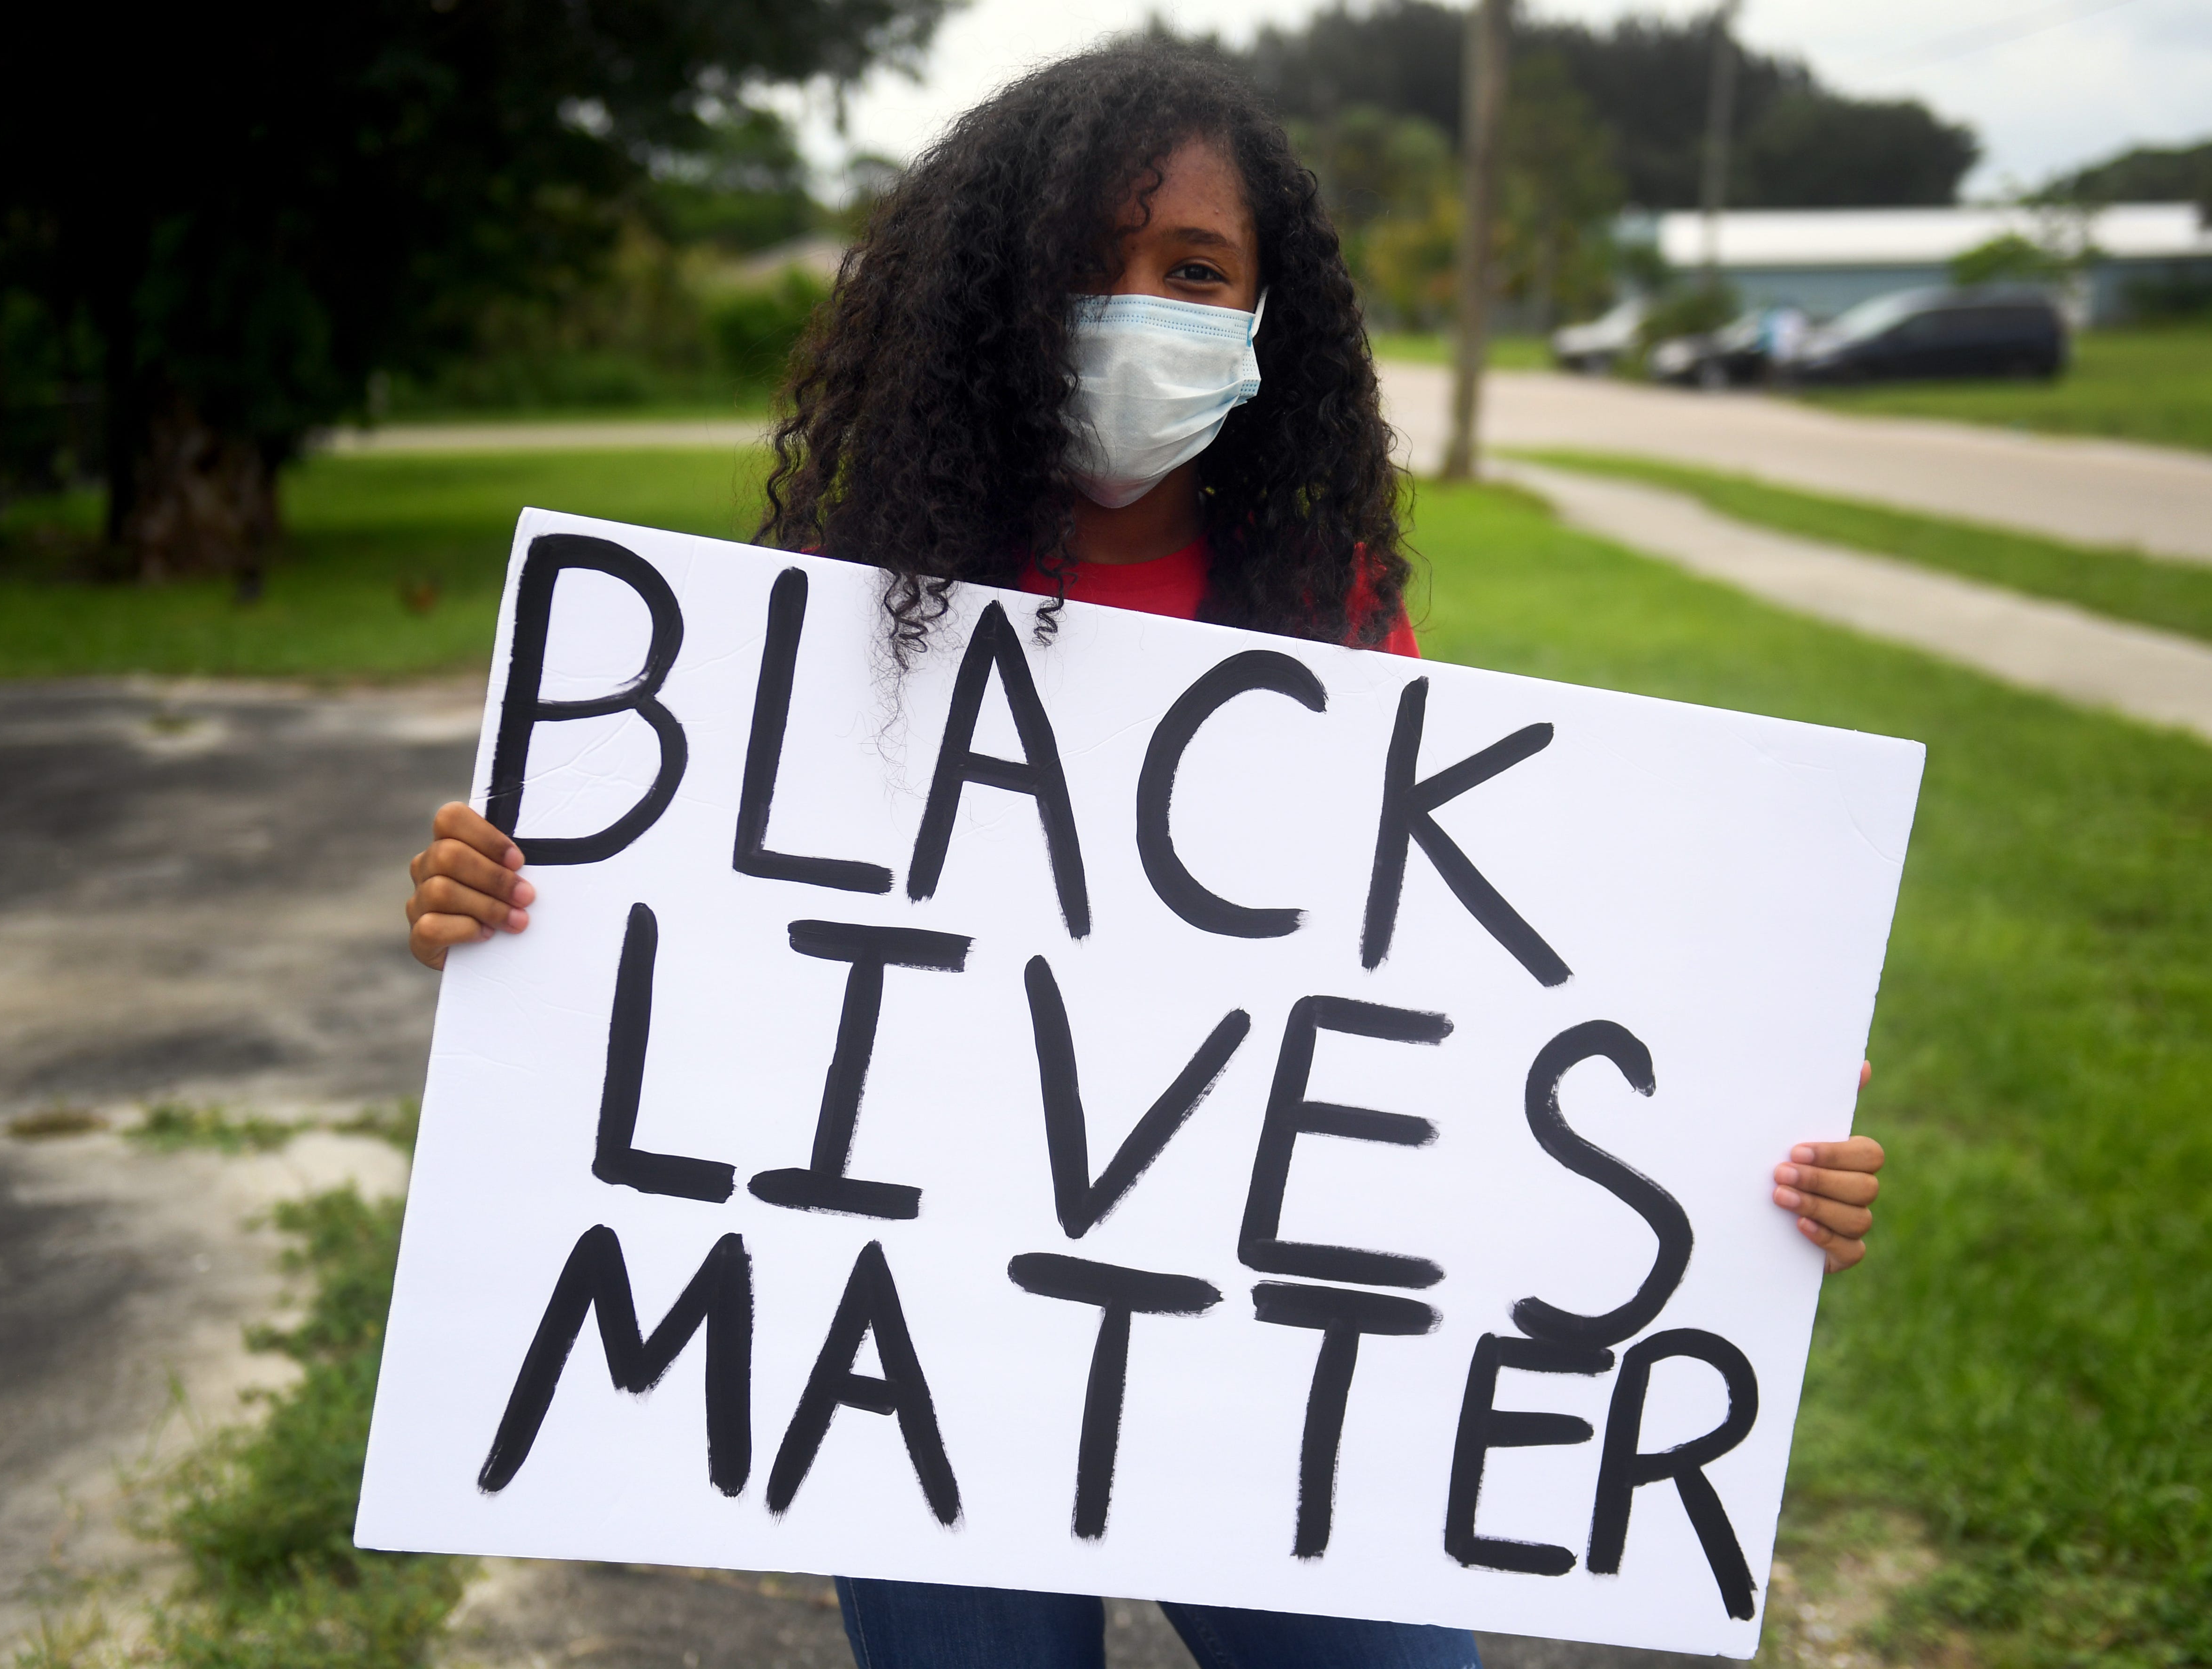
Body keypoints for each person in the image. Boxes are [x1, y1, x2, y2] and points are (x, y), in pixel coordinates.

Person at [402, 42, 1885, 1669]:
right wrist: (506, 917)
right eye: (1085, 265)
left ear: (1263, 321)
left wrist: (1737, 1115)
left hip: (1245, 1359)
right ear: (992, 290)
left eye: (1193, 271)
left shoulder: (1330, 622)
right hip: (913, 1341)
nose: (1136, 313)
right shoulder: (825, 618)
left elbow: (1445, 1009)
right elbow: (705, 958)